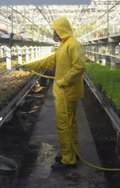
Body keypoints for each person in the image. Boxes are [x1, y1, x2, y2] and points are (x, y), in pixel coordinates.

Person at [15, 17, 85, 170]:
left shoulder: (72, 44)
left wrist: (63, 81)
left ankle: (68, 160)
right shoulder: (64, 46)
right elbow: (47, 61)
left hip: (67, 92)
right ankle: (72, 153)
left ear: (62, 29)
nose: (54, 32)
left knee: (63, 125)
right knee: (70, 124)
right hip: (65, 92)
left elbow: (79, 67)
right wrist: (28, 66)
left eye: (55, 30)